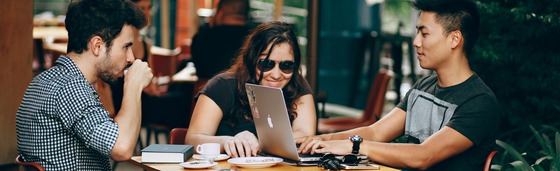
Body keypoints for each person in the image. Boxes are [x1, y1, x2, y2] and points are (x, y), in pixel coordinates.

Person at [296, 0, 501, 170]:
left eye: (424, 33)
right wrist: (319, 141)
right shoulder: (423, 87)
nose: (415, 41)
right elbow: (376, 133)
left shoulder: (479, 102)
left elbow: (423, 156)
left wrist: (354, 146)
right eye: (417, 32)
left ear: (454, 39)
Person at [16, 0, 152, 170]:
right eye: (126, 47)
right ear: (97, 45)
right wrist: (133, 85)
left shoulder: (44, 80)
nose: (131, 58)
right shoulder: (70, 87)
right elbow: (121, 148)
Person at [186, 21, 316, 158]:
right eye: (267, 64)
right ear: (251, 60)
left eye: (286, 66)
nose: (276, 75)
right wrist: (229, 142)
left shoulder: (297, 84)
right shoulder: (223, 85)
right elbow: (192, 140)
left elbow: (305, 134)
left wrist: (261, 144)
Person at [190, 0, 252, 81]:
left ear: (220, 12)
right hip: (243, 92)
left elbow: (200, 71)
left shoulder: (201, 37)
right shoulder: (255, 38)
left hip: (206, 91)